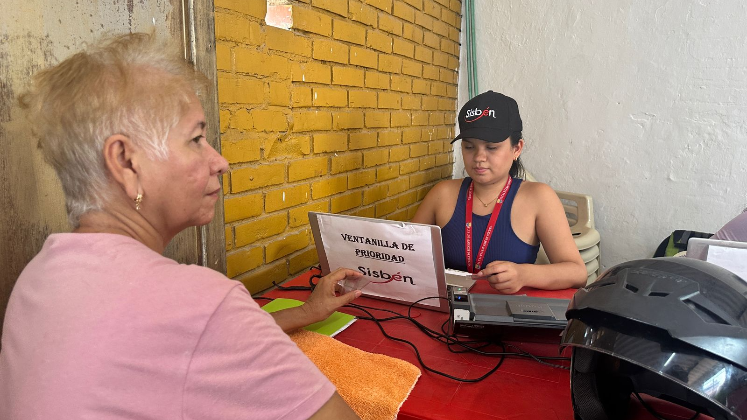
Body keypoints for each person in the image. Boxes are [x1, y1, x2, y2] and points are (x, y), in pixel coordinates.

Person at [0, 33, 360, 419]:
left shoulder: (38, 276)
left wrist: (305, 314)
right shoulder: (199, 302)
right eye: (196, 139)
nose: (219, 161)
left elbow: (186, 343)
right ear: (125, 162)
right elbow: (198, 327)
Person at [413, 91, 587, 293]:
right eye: (469, 147)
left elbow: (577, 273)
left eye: (492, 147)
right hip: (444, 310)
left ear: (517, 149)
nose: (479, 157)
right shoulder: (442, 193)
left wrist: (524, 274)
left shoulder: (538, 197)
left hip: (507, 313)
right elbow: (404, 254)